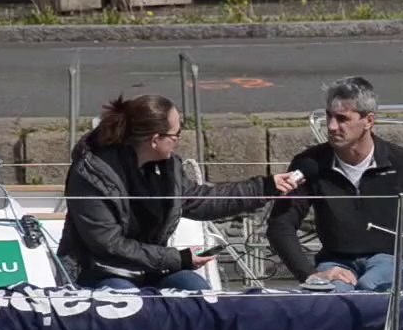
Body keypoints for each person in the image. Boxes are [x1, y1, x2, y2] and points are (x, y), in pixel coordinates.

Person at [57, 93, 300, 291]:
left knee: (199, 294)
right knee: (130, 304)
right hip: (101, 272)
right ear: (155, 140)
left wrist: (264, 187)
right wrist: (178, 259)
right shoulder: (91, 176)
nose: (178, 141)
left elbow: (200, 201)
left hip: (153, 269)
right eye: (176, 135)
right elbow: (109, 245)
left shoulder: (168, 167)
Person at [265, 76, 403, 293]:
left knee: (370, 288)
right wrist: (311, 274)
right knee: (332, 299)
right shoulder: (309, 164)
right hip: (335, 262)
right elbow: (280, 225)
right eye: (329, 116)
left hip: (392, 258)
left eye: (342, 119)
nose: (332, 126)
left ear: (368, 121)